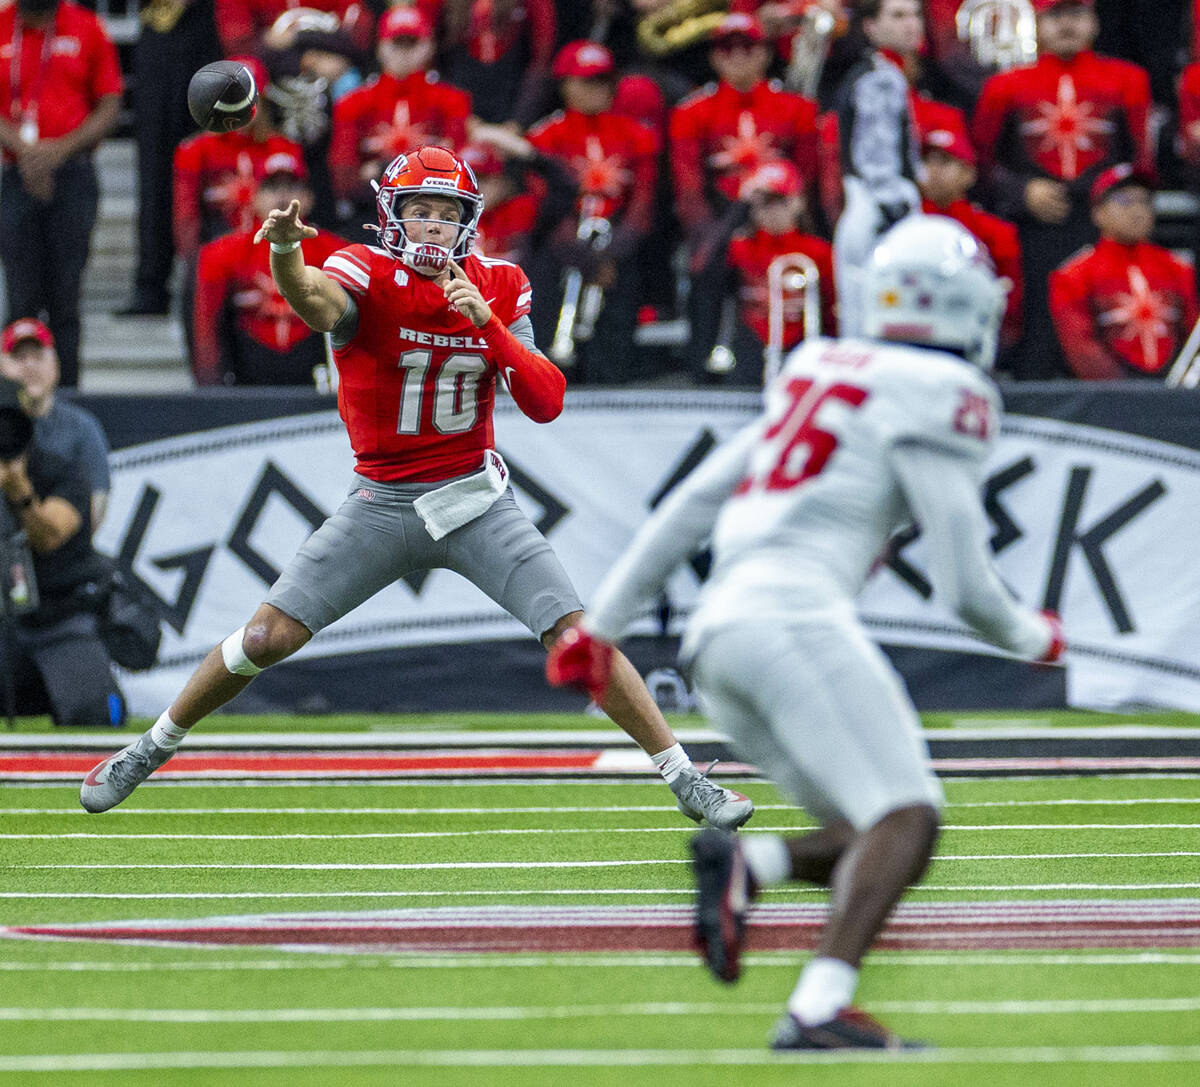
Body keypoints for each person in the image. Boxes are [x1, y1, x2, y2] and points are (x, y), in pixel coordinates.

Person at [80, 144, 753, 833]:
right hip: (382, 501)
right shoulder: (365, 271)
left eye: (446, 213)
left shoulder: (497, 285)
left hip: (473, 498)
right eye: (420, 211)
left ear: (468, 221)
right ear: (392, 217)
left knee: (576, 635)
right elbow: (314, 303)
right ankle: (148, 746)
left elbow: (547, 400)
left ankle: (684, 776)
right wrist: (285, 256)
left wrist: (487, 324)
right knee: (265, 633)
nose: (433, 225)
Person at [546, 215, 1064, 1050]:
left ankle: (752, 870)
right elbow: (967, 587)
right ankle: (820, 1006)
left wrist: (600, 629)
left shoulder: (820, 364)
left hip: (720, 636)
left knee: (871, 831)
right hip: (794, 619)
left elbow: (693, 501)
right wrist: (1035, 635)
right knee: (909, 818)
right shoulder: (944, 393)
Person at [971, 0, 1152, 379]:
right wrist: (1022, 192)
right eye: (1055, 15)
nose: (1066, 24)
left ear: (1095, 22)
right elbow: (981, 162)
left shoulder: (1126, 80)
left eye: (1077, 14)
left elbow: (1140, 159)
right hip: (1033, 229)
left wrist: (1111, 204)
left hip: (1101, 228)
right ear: (1036, 22)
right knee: (1038, 326)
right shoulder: (1005, 87)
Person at [668, 13, 819, 379]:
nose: (738, 57)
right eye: (727, 49)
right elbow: (688, 187)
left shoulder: (796, 109)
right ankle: (701, 364)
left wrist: (786, 218)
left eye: (748, 48)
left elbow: (807, 176)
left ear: (764, 53)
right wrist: (711, 236)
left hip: (782, 215)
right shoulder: (692, 112)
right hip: (721, 220)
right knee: (707, 264)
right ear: (715, 57)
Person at [0, 318, 124, 728]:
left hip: (58, 608)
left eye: (38, 356)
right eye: (17, 359)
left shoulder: (74, 440)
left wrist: (19, 490)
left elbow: (75, 526)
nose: (28, 367)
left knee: (98, 717)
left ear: (56, 363)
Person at [0, 0, 123, 388]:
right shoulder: (2, 26)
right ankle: (12, 398)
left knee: (65, 299)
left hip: (74, 175)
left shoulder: (88, 27)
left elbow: (110, 104)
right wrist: (28, 153)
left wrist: (56, 152)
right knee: (21, 298)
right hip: (14, 173)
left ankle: (67, 396)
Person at [525, 40, 660, 383]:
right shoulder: (544, 136)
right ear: (565, 85)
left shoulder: (637, 136)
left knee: (624, 285)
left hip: (616, 243)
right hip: (565, 243)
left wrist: (609, 255)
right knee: (545, 274)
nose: (596, 89)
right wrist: (584, 257)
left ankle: (612, 373)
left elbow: (642, 207)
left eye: (602, 80)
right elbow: (542, 205)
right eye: (586, 81)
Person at [192, 152, 351, 385]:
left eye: (292, 187)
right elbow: (206, 331)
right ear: (254, 197)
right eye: (271, 188)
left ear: (309, 197)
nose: (282, 196)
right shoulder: (220, 254)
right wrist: (212, 392)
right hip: (246, 382)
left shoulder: (337, 252)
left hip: (315, 379)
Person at [114, 0, 222, 317]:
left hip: (212, 31)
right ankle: (151, 284)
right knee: (155, 171)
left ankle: (208, 284)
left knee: (214, 168)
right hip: (161, 33)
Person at [827, 0, 924, 338]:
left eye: (915, 15)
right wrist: (896, 208)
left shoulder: (883, 72)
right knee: (878, 316)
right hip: (879, 208)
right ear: (870, 27)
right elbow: (876, 160)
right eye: (897, 16)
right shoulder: (879, 78)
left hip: (869, 205)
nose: (911, 24)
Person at [328, 7, 471, 232]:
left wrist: (378, 168)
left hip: (432, 213)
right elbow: (344, 178)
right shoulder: (352, 103)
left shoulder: (452, 101)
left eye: (412, 44)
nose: (403, 53)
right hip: (370, 214)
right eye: (397, 44)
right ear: (380, 48)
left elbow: (459, 168)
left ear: (429, 47)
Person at [1049, 164, 1199, 380]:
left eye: (1144, 201)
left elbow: (1194, 336)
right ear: (1098, 212)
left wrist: (1181, 384)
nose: (1137, 210)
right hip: (1109, 400)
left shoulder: (1178, 268)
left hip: (1174, 394)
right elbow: (1081, 349)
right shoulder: (1074, 275)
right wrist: (1124, 393)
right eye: (1125, 200)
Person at [713, 159, 836, 386]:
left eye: (778, 201)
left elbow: (831, 308)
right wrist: (741, 205)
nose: (770, 211)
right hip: (751, 348)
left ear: (797, 202)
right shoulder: (739, 248)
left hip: (802, 347)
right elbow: (709, 275)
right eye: (762, 203)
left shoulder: (819, 251)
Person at [919, 127, 1024, 356]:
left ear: (969, 174)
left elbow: (1010, 305)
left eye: (945, 162)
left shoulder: (996, 232)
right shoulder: (905, 225)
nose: (934, 171)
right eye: (927, 161)